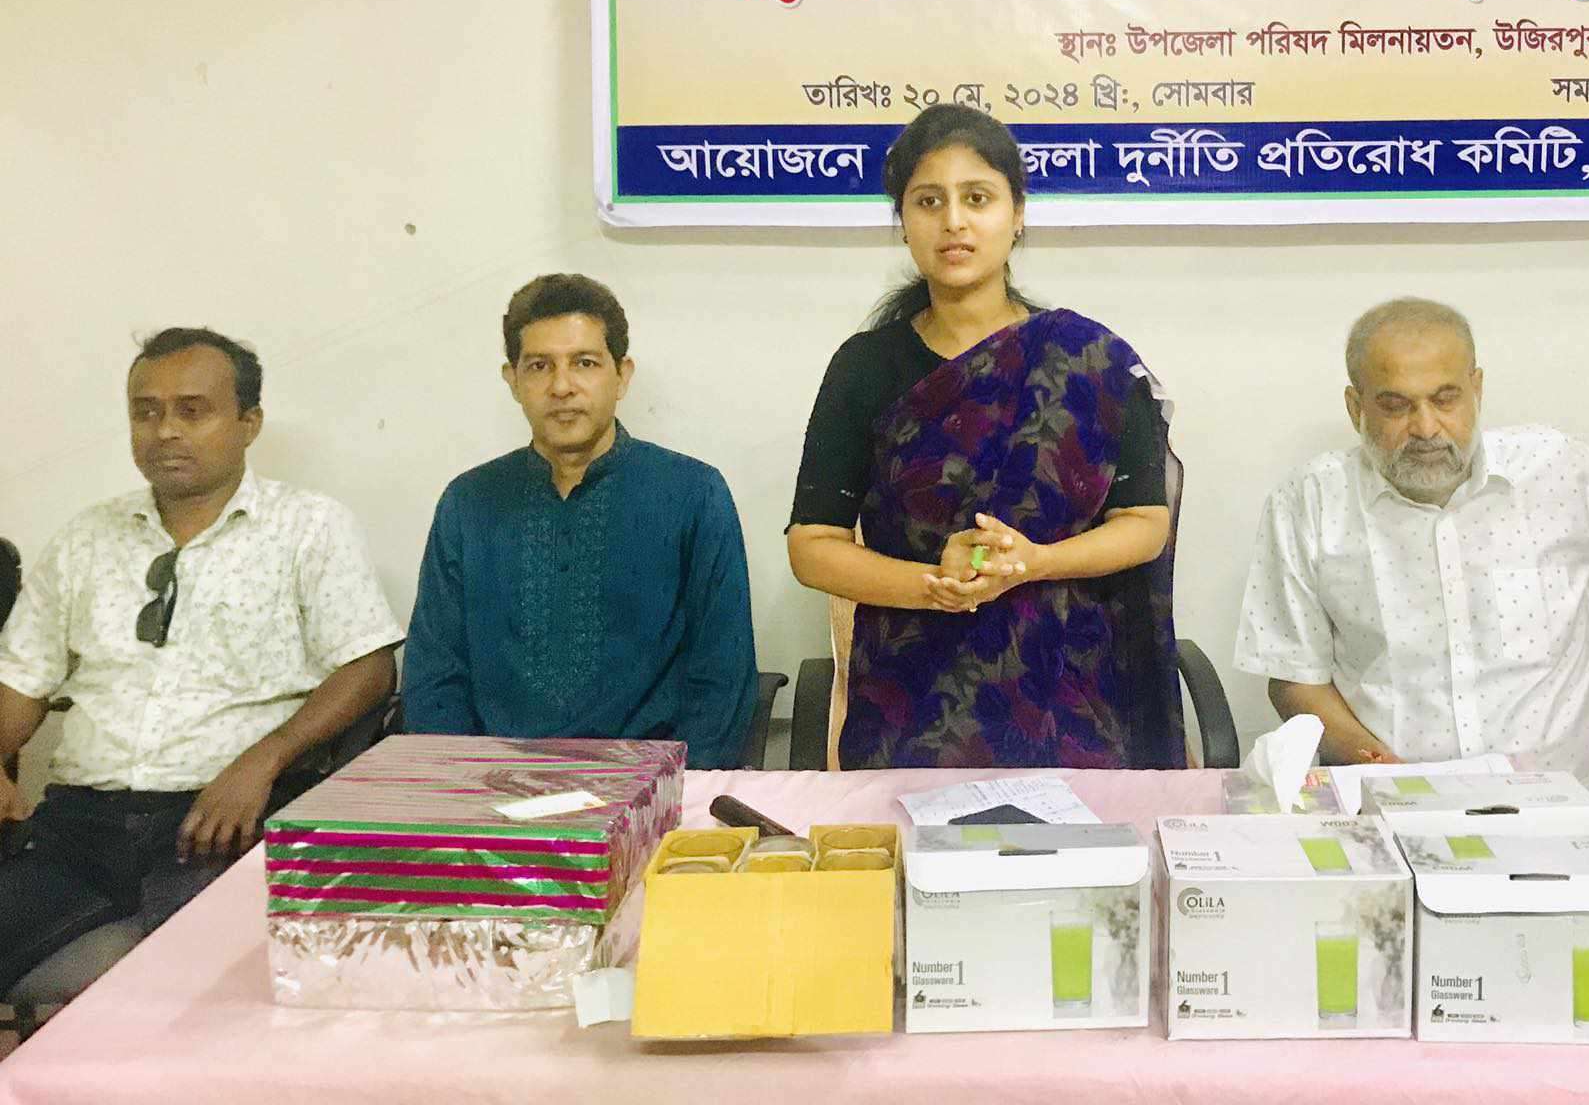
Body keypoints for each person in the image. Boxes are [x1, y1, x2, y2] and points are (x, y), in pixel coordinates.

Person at [0, 328, 402, 1012]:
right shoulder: (86, 538)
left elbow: (367, 669)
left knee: (200, 999)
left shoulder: (308, 528)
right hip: (78, 828)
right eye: (146, 411)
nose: (165, 431)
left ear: (249, 422)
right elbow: (20, 678)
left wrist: (262, 761)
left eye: (192, 411)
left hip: (225, 823)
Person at [786, 105, 1184, 769]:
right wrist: (934, 585)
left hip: (1071, 704)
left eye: (977, 198)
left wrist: (1033, 562)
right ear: (903, 222)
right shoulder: (865, 367)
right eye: (928, 201)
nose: (953, 221)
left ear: (1017, 213)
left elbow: (1144, 524)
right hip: (910, 709)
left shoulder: (1088, 359)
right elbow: (812, 547)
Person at [1234, 297, 1589, 805]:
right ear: (1356, 407)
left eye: (1445, 400)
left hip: (1562, 801)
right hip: (1392, 806)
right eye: (1396, 406)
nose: (1426, 428)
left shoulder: (1557, 469)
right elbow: (1296, 679)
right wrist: (1388, 772)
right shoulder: (1309, 503)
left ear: (1477, 389)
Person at [402, 274, 758, 766]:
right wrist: (467, 784)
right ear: (513, 381)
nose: (562, 386)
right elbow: (434, 679)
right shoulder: (468, 503)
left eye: (584, 363)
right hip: (494, 786)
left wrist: (669, 789)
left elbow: (723, 678)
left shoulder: (693, 493)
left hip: (653, 784)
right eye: (539, 366)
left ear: (622, 375)